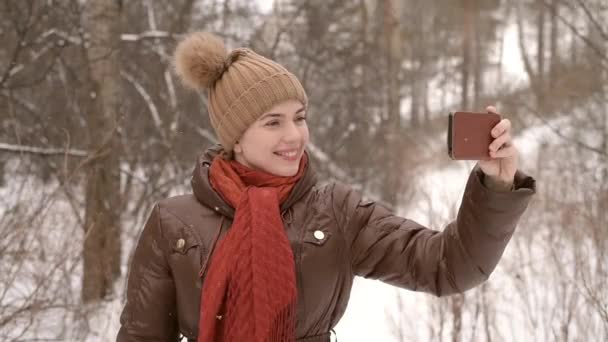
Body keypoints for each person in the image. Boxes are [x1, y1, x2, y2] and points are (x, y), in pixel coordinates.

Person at [116, 31, 536, 342]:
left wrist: (495, 187)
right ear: (236, 138)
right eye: (273, 122)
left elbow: (449, 266)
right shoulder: (174, 223)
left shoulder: (335, 210)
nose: (295, 136)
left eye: (299, 117)